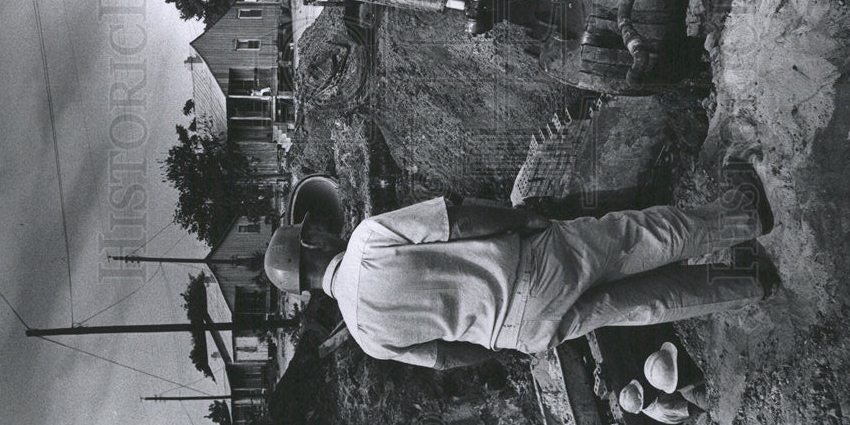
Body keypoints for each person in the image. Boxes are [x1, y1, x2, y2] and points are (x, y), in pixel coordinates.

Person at [264, 159, 778, 370]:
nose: (322, 228)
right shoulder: (368, 239)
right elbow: (458, 219)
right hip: (531, 266)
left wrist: (505, 344)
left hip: (518, 332)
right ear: (311, 242)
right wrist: (527, 218)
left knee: (640, 305)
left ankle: (747, 283)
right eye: (313, 230)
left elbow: (446, 358)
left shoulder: (365, 336)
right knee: (635, 238)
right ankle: (742, 216)